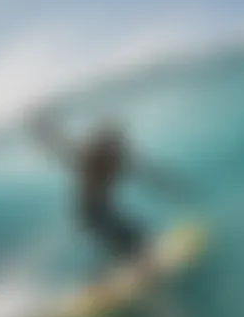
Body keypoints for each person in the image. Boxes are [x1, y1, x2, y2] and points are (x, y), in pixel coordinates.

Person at [26, 107, 188, 265]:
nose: (116, 145)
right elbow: (61, 146)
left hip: (104, 209)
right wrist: (44, 129)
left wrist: (175, 187)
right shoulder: (89, 156)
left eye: (116, 141)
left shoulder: (119, 158)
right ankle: (142, 268)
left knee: (134, 239)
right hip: (89, 213)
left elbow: (149, 175)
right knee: (131, 238)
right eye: (111, 142)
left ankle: (138, 266)